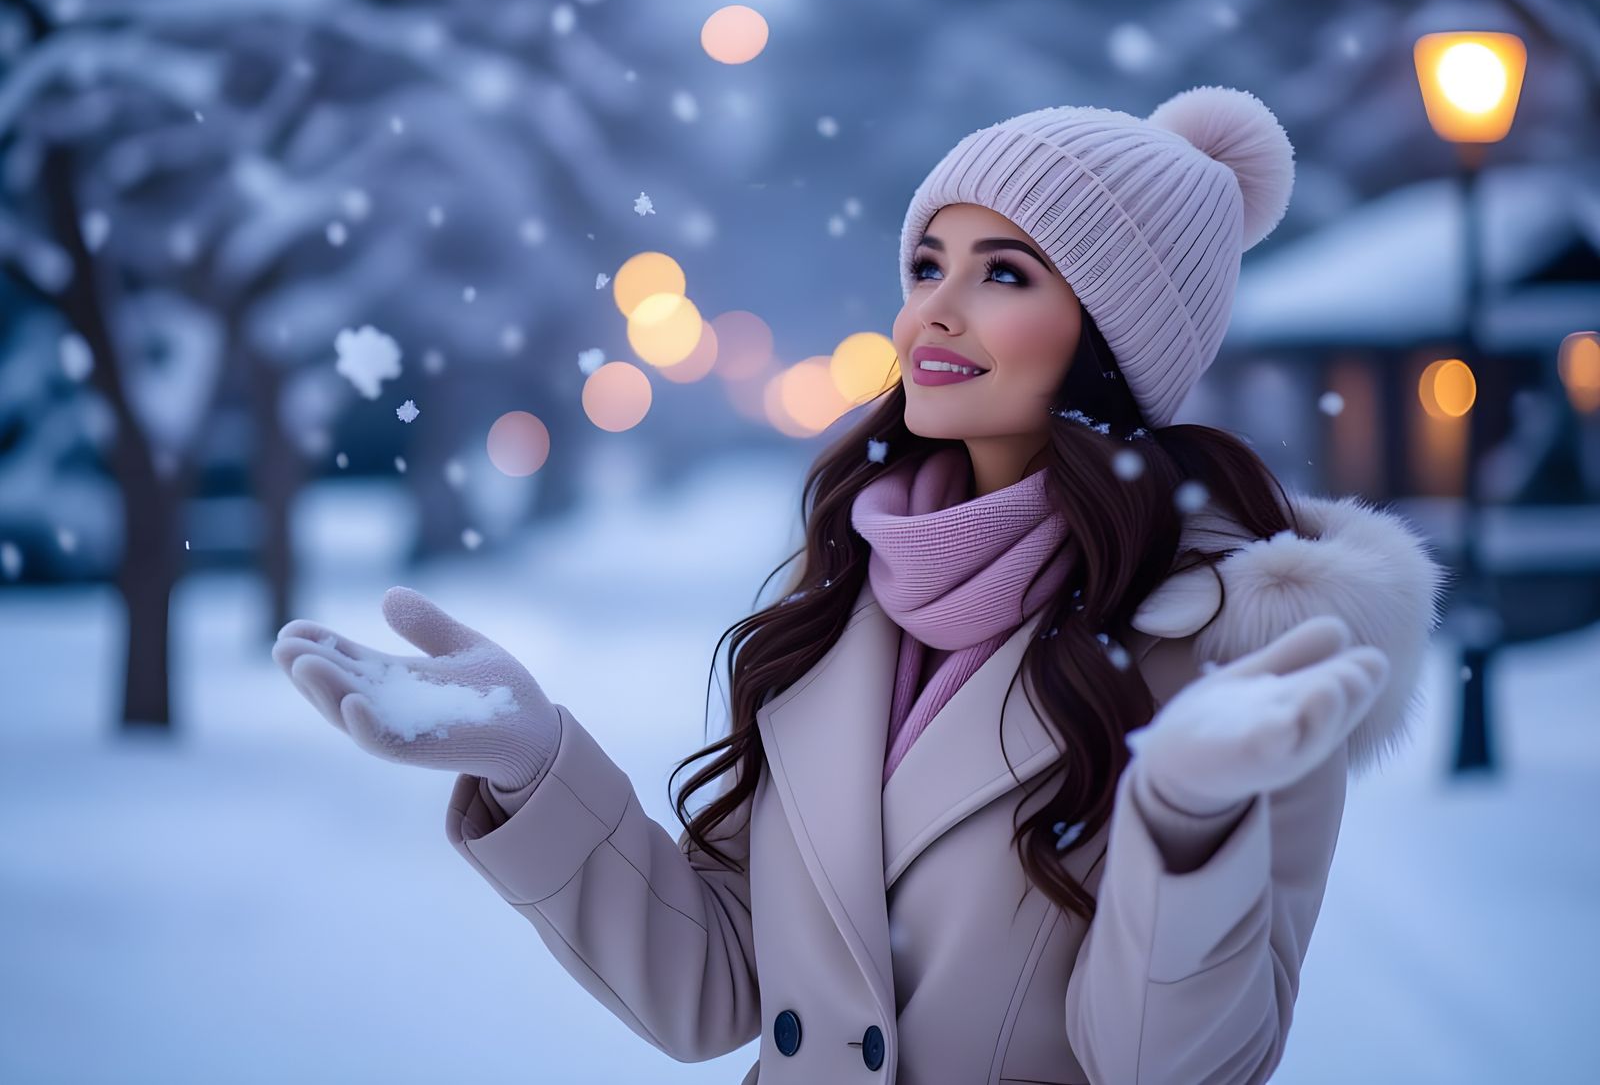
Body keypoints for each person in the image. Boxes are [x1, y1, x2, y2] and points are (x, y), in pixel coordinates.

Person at [273, 87, 1446, 1084]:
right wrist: (536, 768)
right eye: (928, 261)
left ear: (1111, 334)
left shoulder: (1244, 647)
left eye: (1003, 271)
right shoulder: (850, 594)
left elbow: (1167, 1062)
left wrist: (1186, 824)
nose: (931, 305)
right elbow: (721, 983)